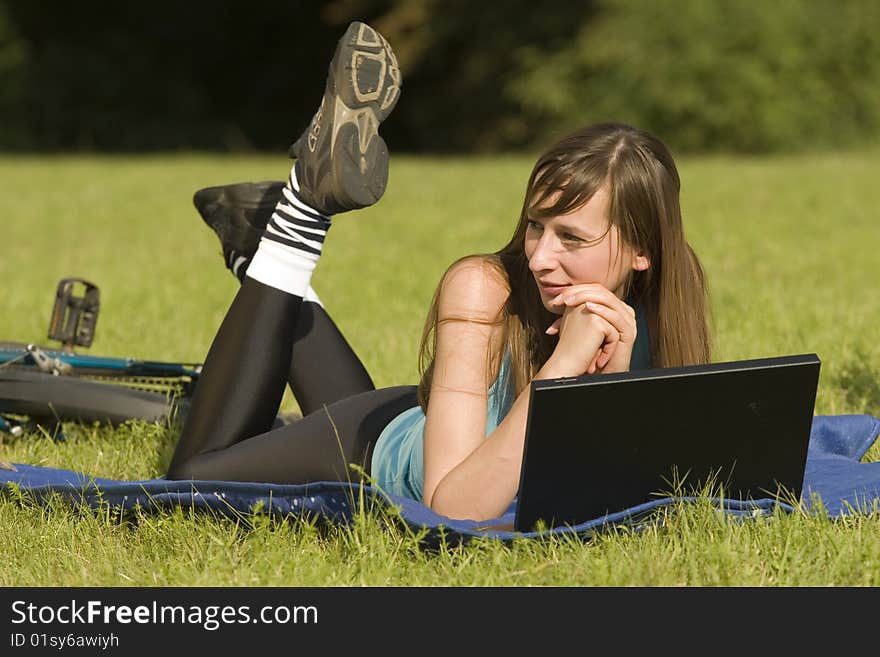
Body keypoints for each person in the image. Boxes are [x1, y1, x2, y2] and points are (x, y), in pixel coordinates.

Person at [166, 21, 712, 522]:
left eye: (571, 237)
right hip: (380, 447)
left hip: (449, 417)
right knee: (189, 482)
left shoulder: (667, 295)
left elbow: (615, 481)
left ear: (643, 250)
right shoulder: (483, 290)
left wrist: (613, 380)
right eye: (535, 226)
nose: (540, 256)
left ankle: (260, 252)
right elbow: (454, 508)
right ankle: (300, 212)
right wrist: (559, 374)